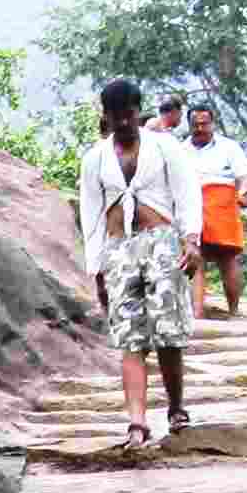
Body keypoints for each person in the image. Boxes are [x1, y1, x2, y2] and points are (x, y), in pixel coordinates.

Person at [75, 77, 203, 445]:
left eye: (129, 114)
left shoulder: (164, 148)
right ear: (107, 116)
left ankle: (176, 407)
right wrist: (95, 266)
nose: (124, 122)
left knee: (168, 334)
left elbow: (186, 195)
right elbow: (92, 213)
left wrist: (191, 239)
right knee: (129, 337)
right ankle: (137, 422)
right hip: (119, 249)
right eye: (116, 116)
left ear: (137, 111)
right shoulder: (96, 157)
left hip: (163, 243)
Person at [184, 96, 247, 316]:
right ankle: (197, 313)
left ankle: (234, 311)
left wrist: (242, 191)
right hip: (192, 203)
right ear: (189, 125)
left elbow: (244, 176)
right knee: (196, 257)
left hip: (222, 203)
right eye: (195, 124)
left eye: (204, 124)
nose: (200, 128)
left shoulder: (229, 147)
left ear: (212, 124)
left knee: (227, 259)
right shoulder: (180, 149)